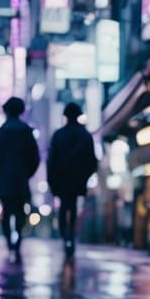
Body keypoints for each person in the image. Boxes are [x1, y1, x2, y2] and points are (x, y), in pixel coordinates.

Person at [0, 96, 40, 261]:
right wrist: (26, 173)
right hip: (21, 180)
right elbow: (35, 158)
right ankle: (18, 241)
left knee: (6, 213)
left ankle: (10, 241)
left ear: (6, 111)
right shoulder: (26, 131)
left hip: (4, 181)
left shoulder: (0, 133)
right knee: (21, 213)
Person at [47, 101, 98, 257]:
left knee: (64, 208)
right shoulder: (85, 135)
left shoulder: (58, 135)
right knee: (73, 207)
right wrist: (85, 176)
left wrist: (52, 181)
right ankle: (71, 238)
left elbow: (51, 161)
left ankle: (66, 238)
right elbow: (92, 161)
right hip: (78, 179)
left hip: (61, 179)